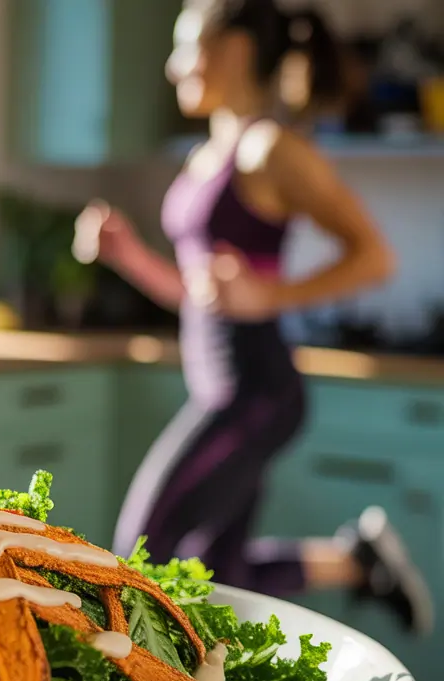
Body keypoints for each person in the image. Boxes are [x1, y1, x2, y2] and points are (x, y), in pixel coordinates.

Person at [75, 0, 433, 633]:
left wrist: (272, 296)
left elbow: (374, 256)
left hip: (255, 391)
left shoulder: (268, 148)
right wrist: (126, 254)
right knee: (219, 571)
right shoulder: (208, 153)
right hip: (225, 385)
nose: (171, 65)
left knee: (141, 548)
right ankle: (355, 561)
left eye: (186, 47)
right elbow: (199, 294)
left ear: (234, 51)